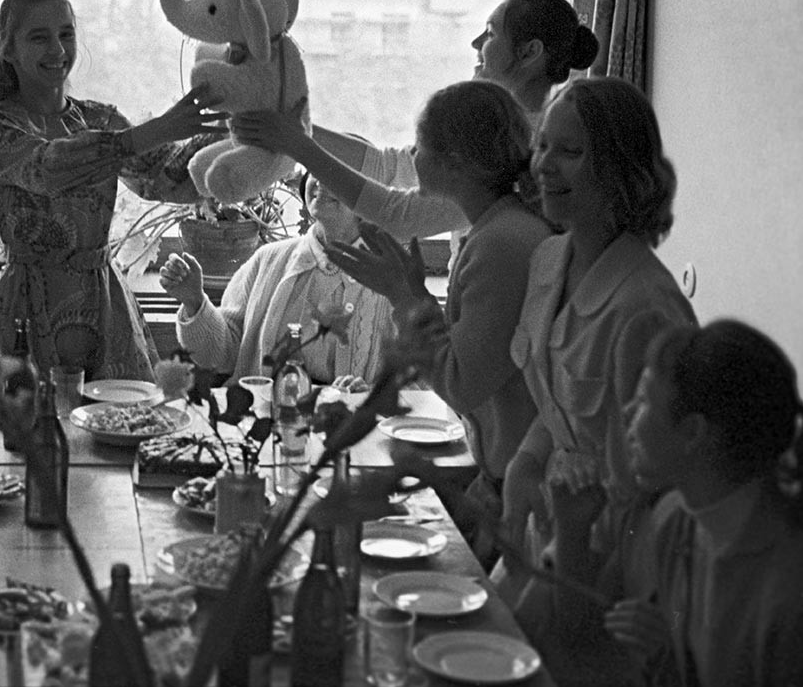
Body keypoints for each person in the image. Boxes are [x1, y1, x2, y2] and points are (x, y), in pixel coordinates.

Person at [324, 80, 550, 563]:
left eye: (420, 146)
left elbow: (462, 383)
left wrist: (403, 297)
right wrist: (414, 294)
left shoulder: (502, 244)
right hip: (503, 475)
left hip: (525, 487)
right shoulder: (492, 229)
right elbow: (468, 354)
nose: (412, 155)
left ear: (456, 162)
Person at [0, 0, 227, 380]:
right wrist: (157, 129)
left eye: (66, 34)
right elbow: (49, 167)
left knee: (119, 428)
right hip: (27, 309)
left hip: (105, 307)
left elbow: (170, 181)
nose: (57, 49)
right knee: (25, 434)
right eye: (39, 37)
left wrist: (234, 127)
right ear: (8, 50)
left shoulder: (99, 119)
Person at [500, 76, 695, 596]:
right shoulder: (547, 261)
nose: (543, 164)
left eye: (569, 151)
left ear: (617, 171)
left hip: (614, 558)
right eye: (542, 144)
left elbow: (659, 479)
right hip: (551, 525)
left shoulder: (645, 310)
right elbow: (561, 410)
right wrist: (526, 461)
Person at [231, 0, 599, 245]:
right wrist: (300, 131)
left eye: (489, 33)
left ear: (530, 52)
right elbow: (390, 166)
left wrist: (299, 144)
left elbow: (400, 216)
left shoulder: (529, 147)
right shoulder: (500, 126)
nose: (475, 44)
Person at [599, 319, 803, 687]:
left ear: (693, 432)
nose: (628, 413)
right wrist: (664, 657)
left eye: (644, 399)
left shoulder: (787, 594)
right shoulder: (674, 523)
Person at [160, 171, 394, 387]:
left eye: (337, 172)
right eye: (316, 168)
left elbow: (415, 382)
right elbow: (221, 356)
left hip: (352, 427)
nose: (322, 180)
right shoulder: (268, 259)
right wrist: (194, 302)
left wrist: (370, 396)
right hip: (265, 420)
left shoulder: (393, 282)